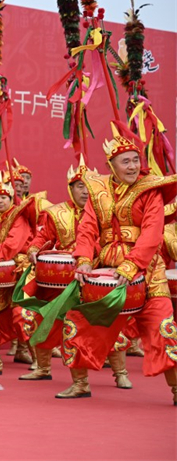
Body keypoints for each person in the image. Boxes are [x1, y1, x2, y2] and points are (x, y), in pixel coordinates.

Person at [64, 123, 177, 403]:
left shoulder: (150, 189)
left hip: (147, 274)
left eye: (135, 160)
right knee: (81, 322)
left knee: (163, 329)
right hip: (106, 271)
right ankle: (80, 384)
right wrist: (84, 260)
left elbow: (152, 233)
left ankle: (176, 389)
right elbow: (88, 228)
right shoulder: (98, 189)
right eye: (125, 161)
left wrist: (131, 265)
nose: (132, 166)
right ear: (111, 165)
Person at [21, 156, 106, 381]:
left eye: (90, 186)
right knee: (42, 321)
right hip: (58, 280)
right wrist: (33, 251)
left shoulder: (105, 212)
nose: (86, 191)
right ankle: (43, 369)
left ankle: (120, 373)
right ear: (71, 188)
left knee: (93, 326)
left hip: (91, 278)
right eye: (80, 186)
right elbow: (42, 239)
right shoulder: (56, 213)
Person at [0, 172, 34, 375]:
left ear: (11, 199)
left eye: (3, 197)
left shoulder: (18, 216)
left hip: (20, 270)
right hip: (0, 269)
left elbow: (13, 244)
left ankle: (39, 360)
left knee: (23, 314)